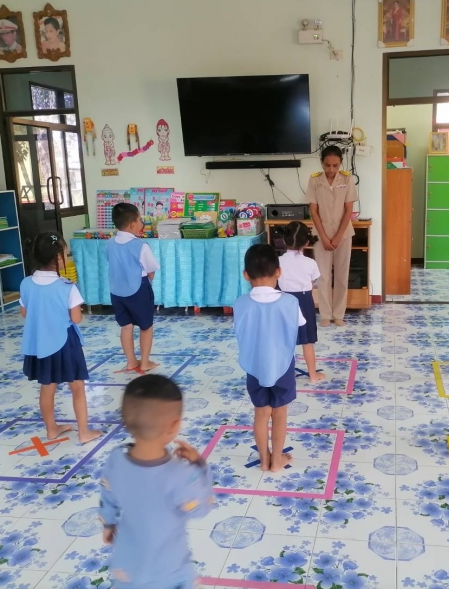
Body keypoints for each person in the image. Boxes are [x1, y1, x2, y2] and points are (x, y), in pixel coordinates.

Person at [99, 374, 213, 589]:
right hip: (168, 571)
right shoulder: (180, 474)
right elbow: (201, 508)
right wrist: (200, 466)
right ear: (175, 425)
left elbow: (107, 493)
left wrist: (108, 523)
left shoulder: (116, 458)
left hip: (128, 567)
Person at [20, 232, 102, 444]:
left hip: (41, 344)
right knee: (77, 387)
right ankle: (84, 432)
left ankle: (51, 429)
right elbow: (76, 318)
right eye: (66, 253)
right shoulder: (66, 286)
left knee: (47, 387)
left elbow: (25, 312)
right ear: (58, 257)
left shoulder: (26, 284)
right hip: (65, 343)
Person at [234, 244, 305, 472]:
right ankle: (277, 461)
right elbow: (300, 324)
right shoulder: (290, 302)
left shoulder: (240, 303)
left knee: (261, 413)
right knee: (280, 413)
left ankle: (264, 461)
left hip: (254, 367)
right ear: (278, 272)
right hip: (282, 366)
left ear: (246, 275)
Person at [307, 145, 357, 327]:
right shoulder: (315, 180)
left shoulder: (347, 179)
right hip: (321, 235)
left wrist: (337, 237)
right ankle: (326, 315)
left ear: (340, 164)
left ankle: (339, 314)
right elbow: (313, 210)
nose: (331, 169)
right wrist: (324, 237)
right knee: (323, 276)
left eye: (335, 165)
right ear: (322, 163)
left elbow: (349, 210)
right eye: (327, 165)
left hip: (343, 234)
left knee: (342, 276)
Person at [107, 203, 160, 373]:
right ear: (132, 225)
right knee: (146, 326)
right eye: (139, 220)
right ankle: (144, 362)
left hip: (116, 292)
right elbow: (151, 269)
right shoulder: (140, 245)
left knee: (126, 326)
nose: (141, 223)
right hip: (138, 290)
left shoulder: (110, 243)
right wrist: (149, 281)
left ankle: (131, 361)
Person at [279, 222, 325, 383]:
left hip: (284, 301)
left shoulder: (278, 261)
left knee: (285, 341)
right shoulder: (310, 263)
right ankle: (313, 375)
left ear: (284, 240)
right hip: (305, 301)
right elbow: (313, 282)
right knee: (307, 341)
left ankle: (285, 375)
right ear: (307, 242)